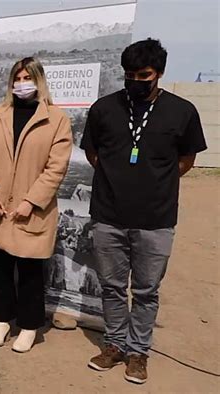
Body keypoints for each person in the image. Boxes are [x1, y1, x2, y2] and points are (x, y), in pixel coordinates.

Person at [81, 39, 207, 384]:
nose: (135, 80)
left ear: (159, 74)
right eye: (129, 74)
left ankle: (138, 352)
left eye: (143, 75)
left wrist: (152, 184)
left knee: (147, 290)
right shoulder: (104, 109)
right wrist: (119, 180)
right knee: (112, 287)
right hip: (108, 216)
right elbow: (93, 153)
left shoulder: (182, 112)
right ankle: (115, 345)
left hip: (156, 219)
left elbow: (187, 160)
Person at [0, 57, 73, 353]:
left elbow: (56, 167)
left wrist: (32, 201)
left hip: (32, 209)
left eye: (27, 78)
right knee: (1, 267)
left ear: (39, 81)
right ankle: (1, 320)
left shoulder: (56, 119)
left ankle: (29, 326)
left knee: (30, 270)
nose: (21, 84)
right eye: (16, 79)